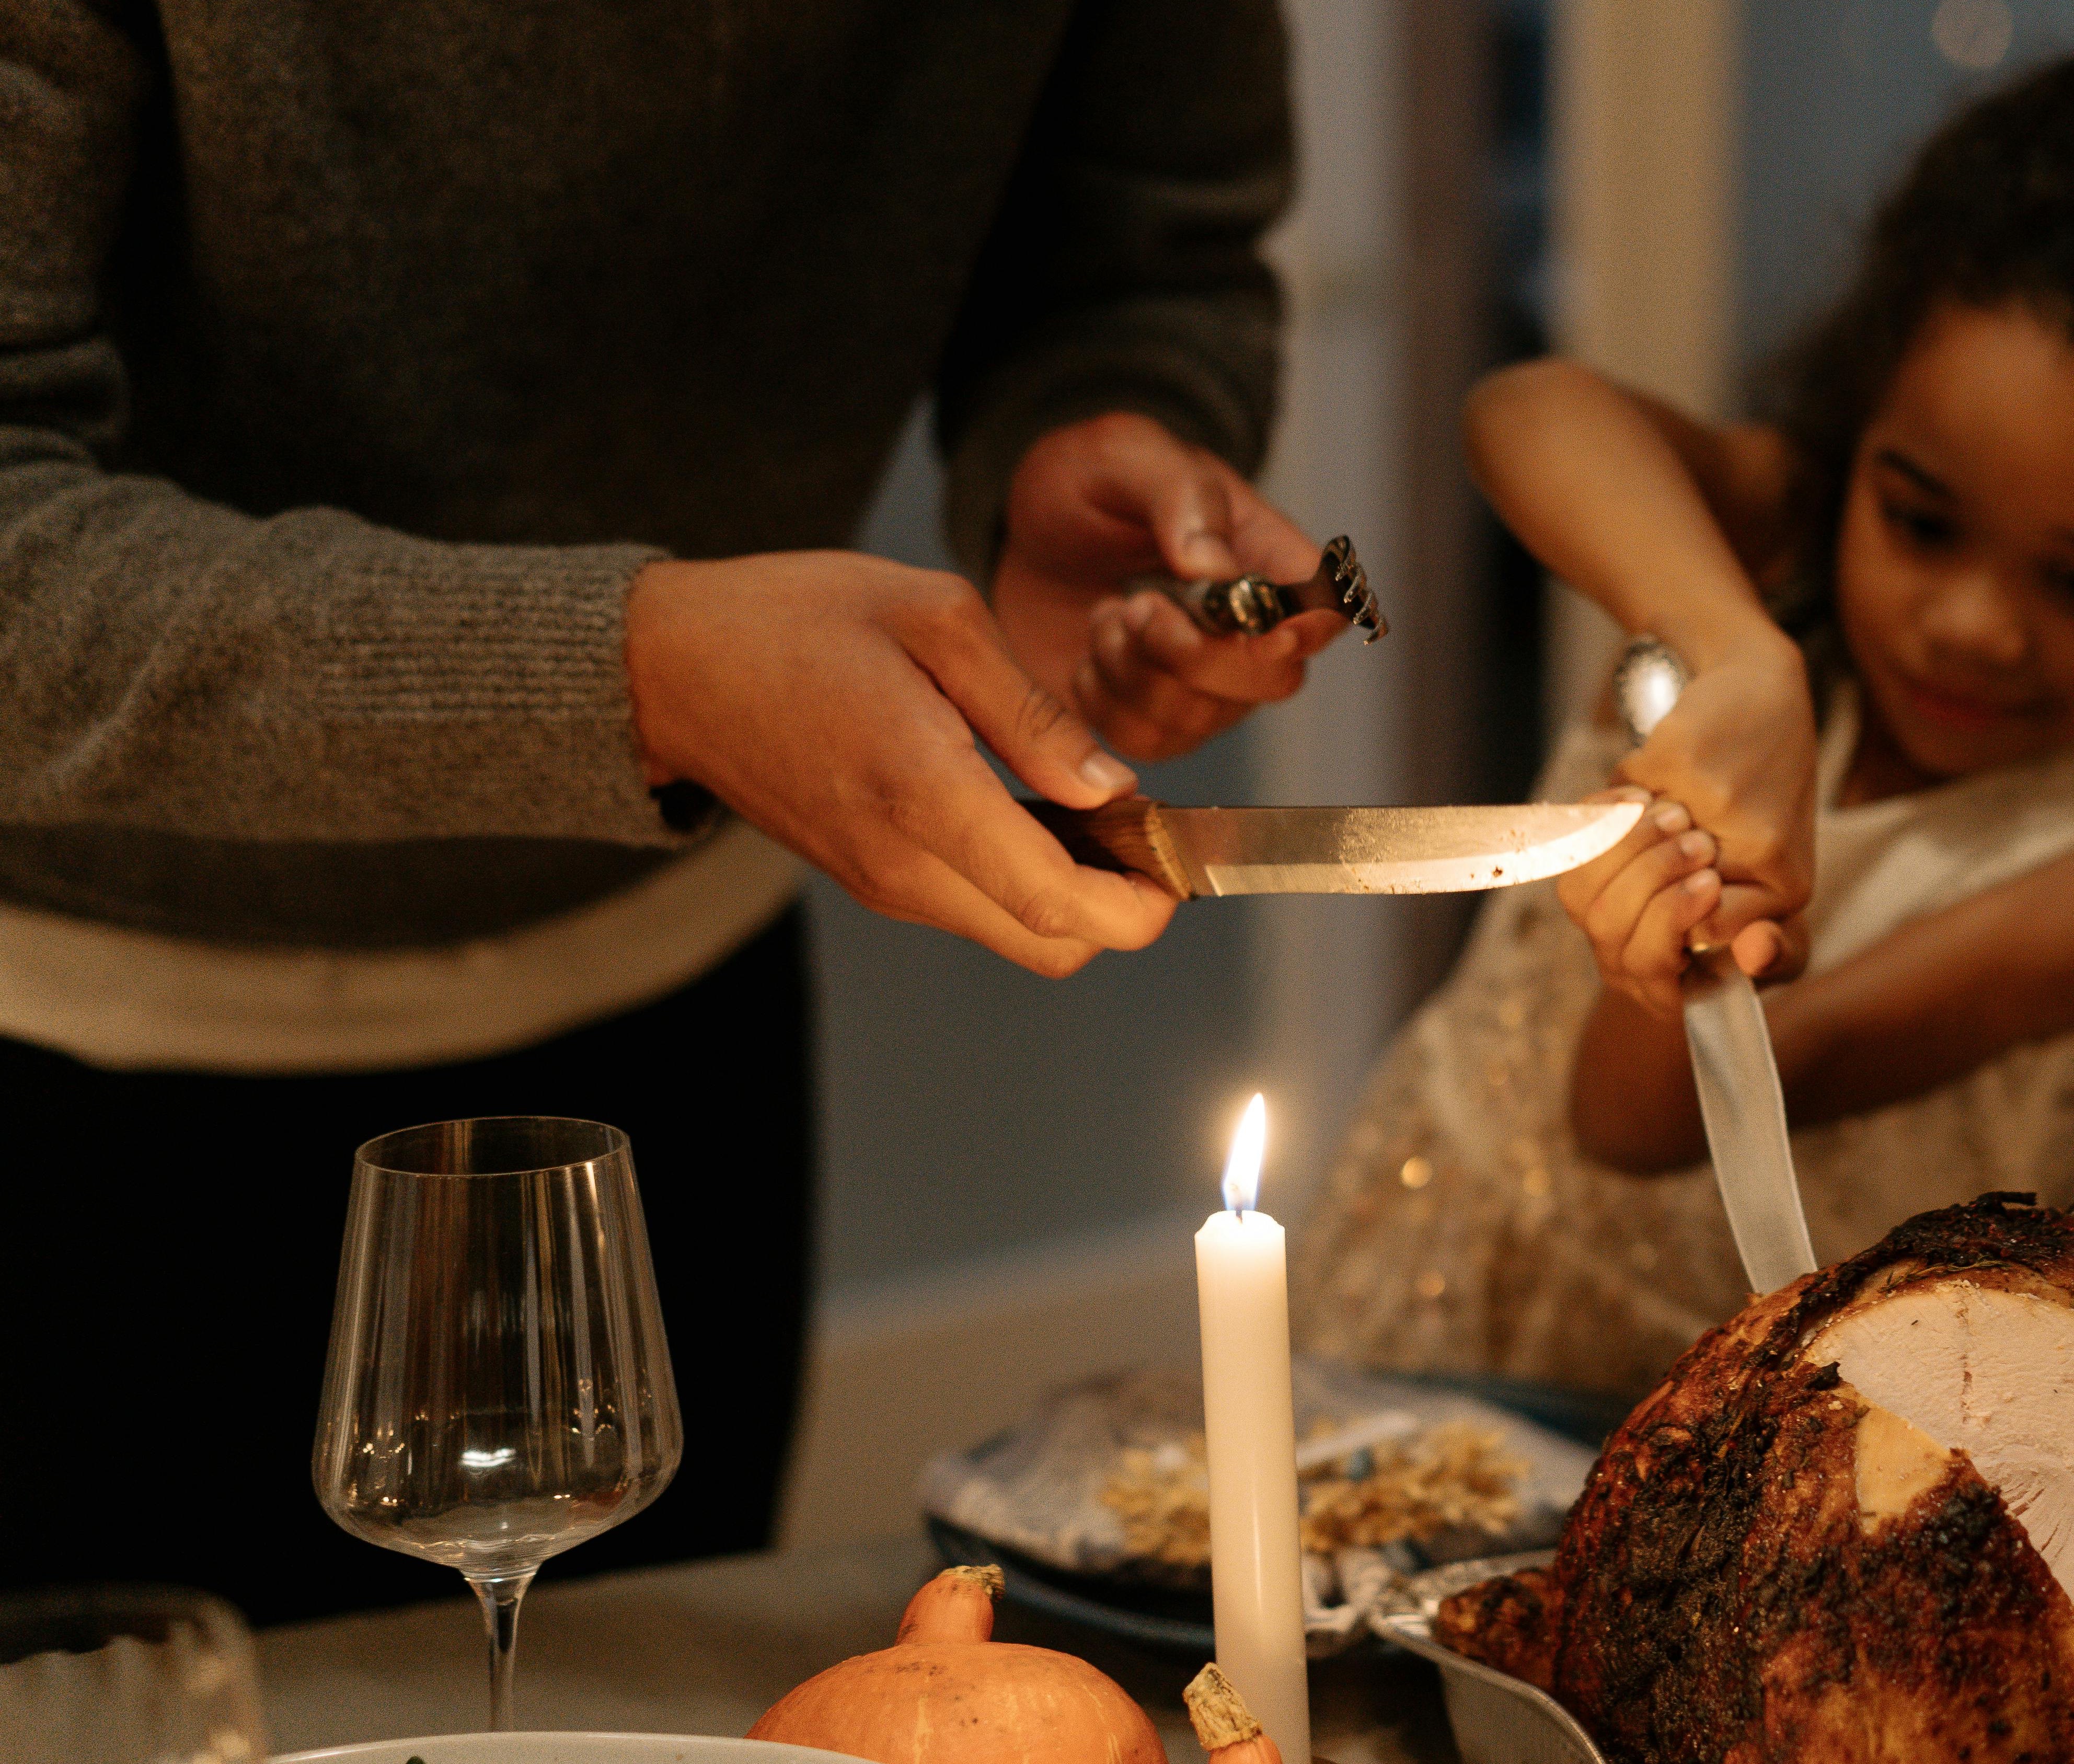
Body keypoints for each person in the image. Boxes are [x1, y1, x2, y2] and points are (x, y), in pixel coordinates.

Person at [0, 1, 1339, 1621]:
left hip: (668, 1026)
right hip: (71, 1074)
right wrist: (640, 680)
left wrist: (1104, 411)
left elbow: (1145, 237)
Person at [1291, 47, 2074, 1400]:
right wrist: (1736, 648)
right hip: (1415, 1268)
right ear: (1868, 429)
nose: (1974, 622)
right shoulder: (1786, 547)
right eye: (1922, 522)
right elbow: (1522, 409)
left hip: (1663, 1403)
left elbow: (1633, 1121)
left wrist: (1682, 934)